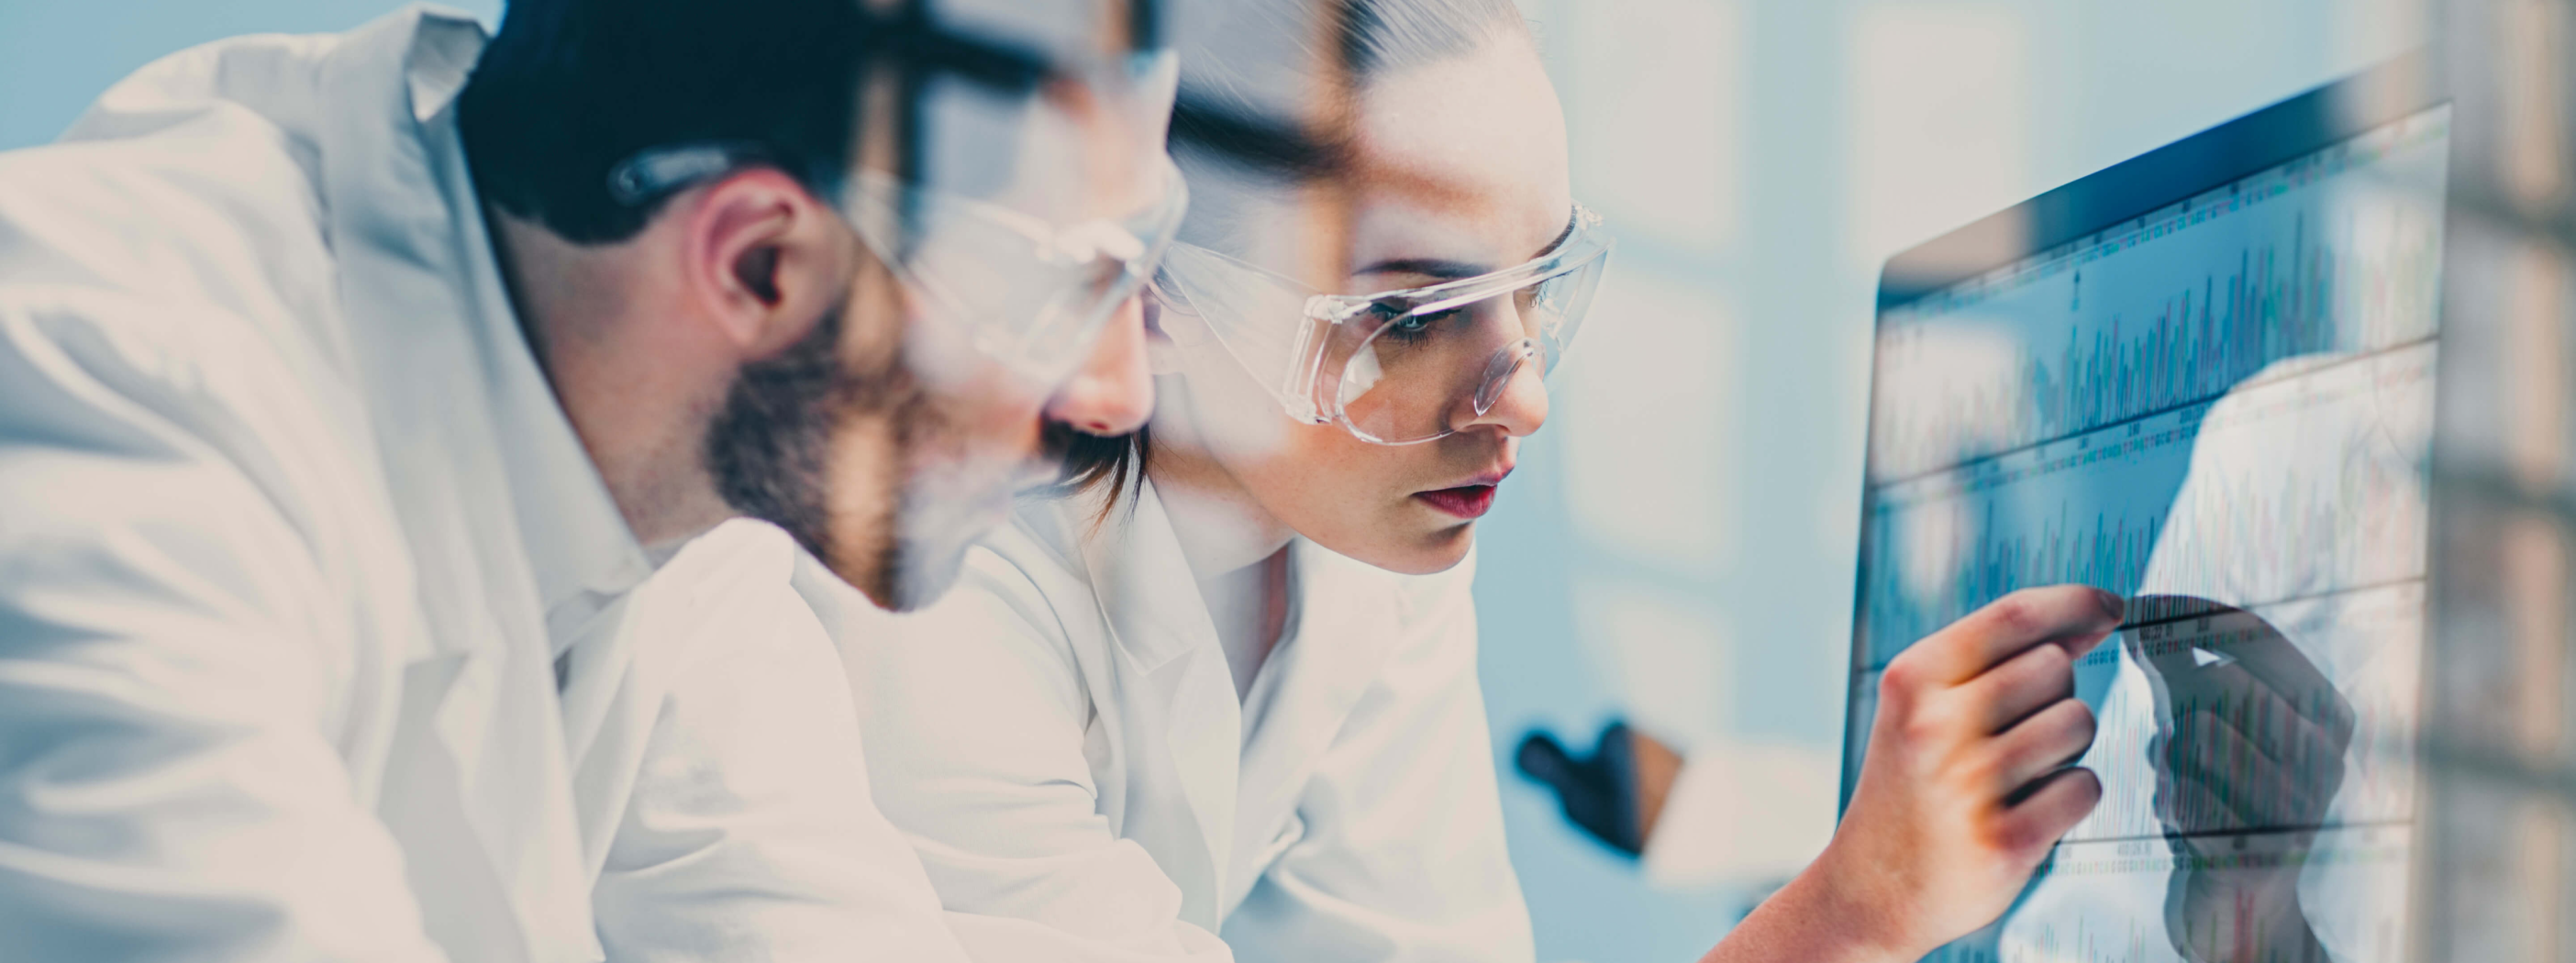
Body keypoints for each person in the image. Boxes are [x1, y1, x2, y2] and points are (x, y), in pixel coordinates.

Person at [834, 2, 2120, 961]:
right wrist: (1851, 912)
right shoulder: (934, 588)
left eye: (1537, 290)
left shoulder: (1362, 534)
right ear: (1155, 290)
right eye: (1406, 320)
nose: (1522, 400)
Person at [0, 0, 1182, 958]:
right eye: (1071, 290)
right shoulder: (101, 402)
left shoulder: (658, 456)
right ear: (761, 262)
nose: (1119, 395)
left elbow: (796, 917)